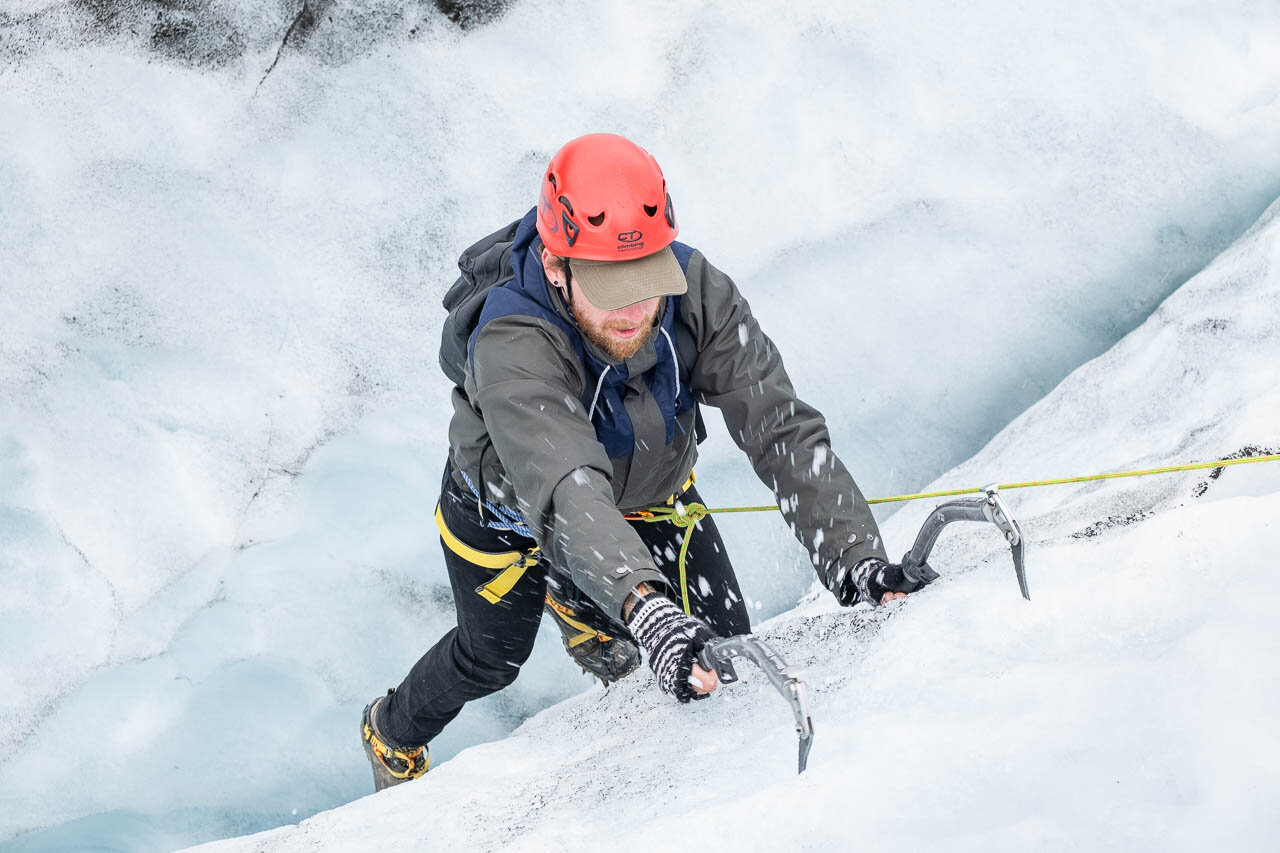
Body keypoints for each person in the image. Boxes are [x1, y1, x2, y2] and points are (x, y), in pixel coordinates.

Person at [360, 133, 929, 790]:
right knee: (492, 655)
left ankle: (584, 595)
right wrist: (645, 604)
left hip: (647, 493)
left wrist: (853, 558)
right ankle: (390, 728)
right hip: (506, 514)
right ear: (555, 266)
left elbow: (779, 426)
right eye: (611, 286)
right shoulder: (511, 343)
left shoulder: (697, 290)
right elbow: (568, 487)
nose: (634, 310)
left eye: (647, 280)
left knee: (722, 661)